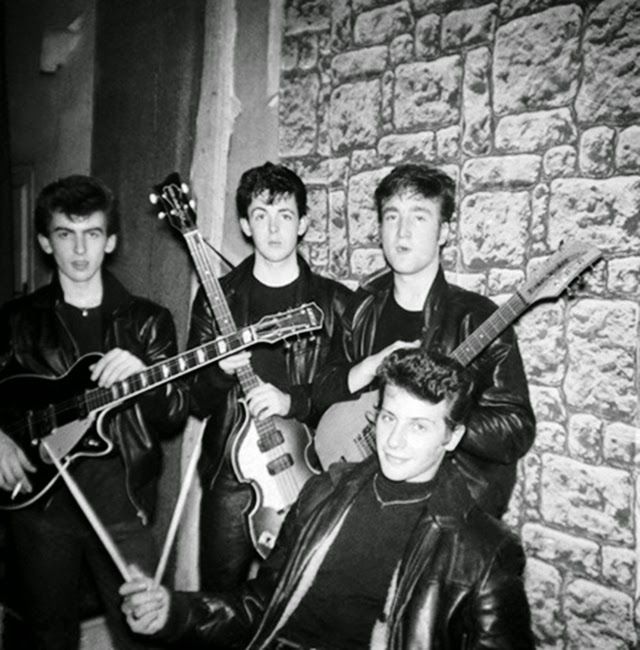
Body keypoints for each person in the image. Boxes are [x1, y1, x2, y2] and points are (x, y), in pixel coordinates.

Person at [120, 347, 535, 649]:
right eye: (389, 418)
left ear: (453, 436)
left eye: (419, 427)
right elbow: (262, 602)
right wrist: (174, 612)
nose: (394, 441)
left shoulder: (484, 553)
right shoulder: (324, 491)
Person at [0, 174, 189, 650]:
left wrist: (143, 374)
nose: (80, 250)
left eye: (93, 234)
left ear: (111, 241)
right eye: (66, 234)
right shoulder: (15, 322)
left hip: (123, 504)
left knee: (140, 635)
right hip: (40, 509)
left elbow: (171, 417)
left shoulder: (148, 321)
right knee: (49, 638)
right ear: (46, 241)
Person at [312, 164, 535, 517]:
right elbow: (320, 392)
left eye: (418, 217)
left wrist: (439, 415)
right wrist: (368, 370)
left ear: (443, 231)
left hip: (443, 506)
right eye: (392, 216)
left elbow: (514, 429)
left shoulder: (478, 317)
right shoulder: (360, 307)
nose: (402, 232)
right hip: (361, 491)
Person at [187, 162, 352, 590]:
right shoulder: (215, 300)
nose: (274, 229)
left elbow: (354, 395)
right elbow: (196, 401)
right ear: (245, 224)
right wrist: (220, 375)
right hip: (231, 475)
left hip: (311, 467)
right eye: (261, 215)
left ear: (303, 224)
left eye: (285, 215)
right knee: (220, 602)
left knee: (303, 601)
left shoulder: (335, 303)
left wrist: (292, 401)